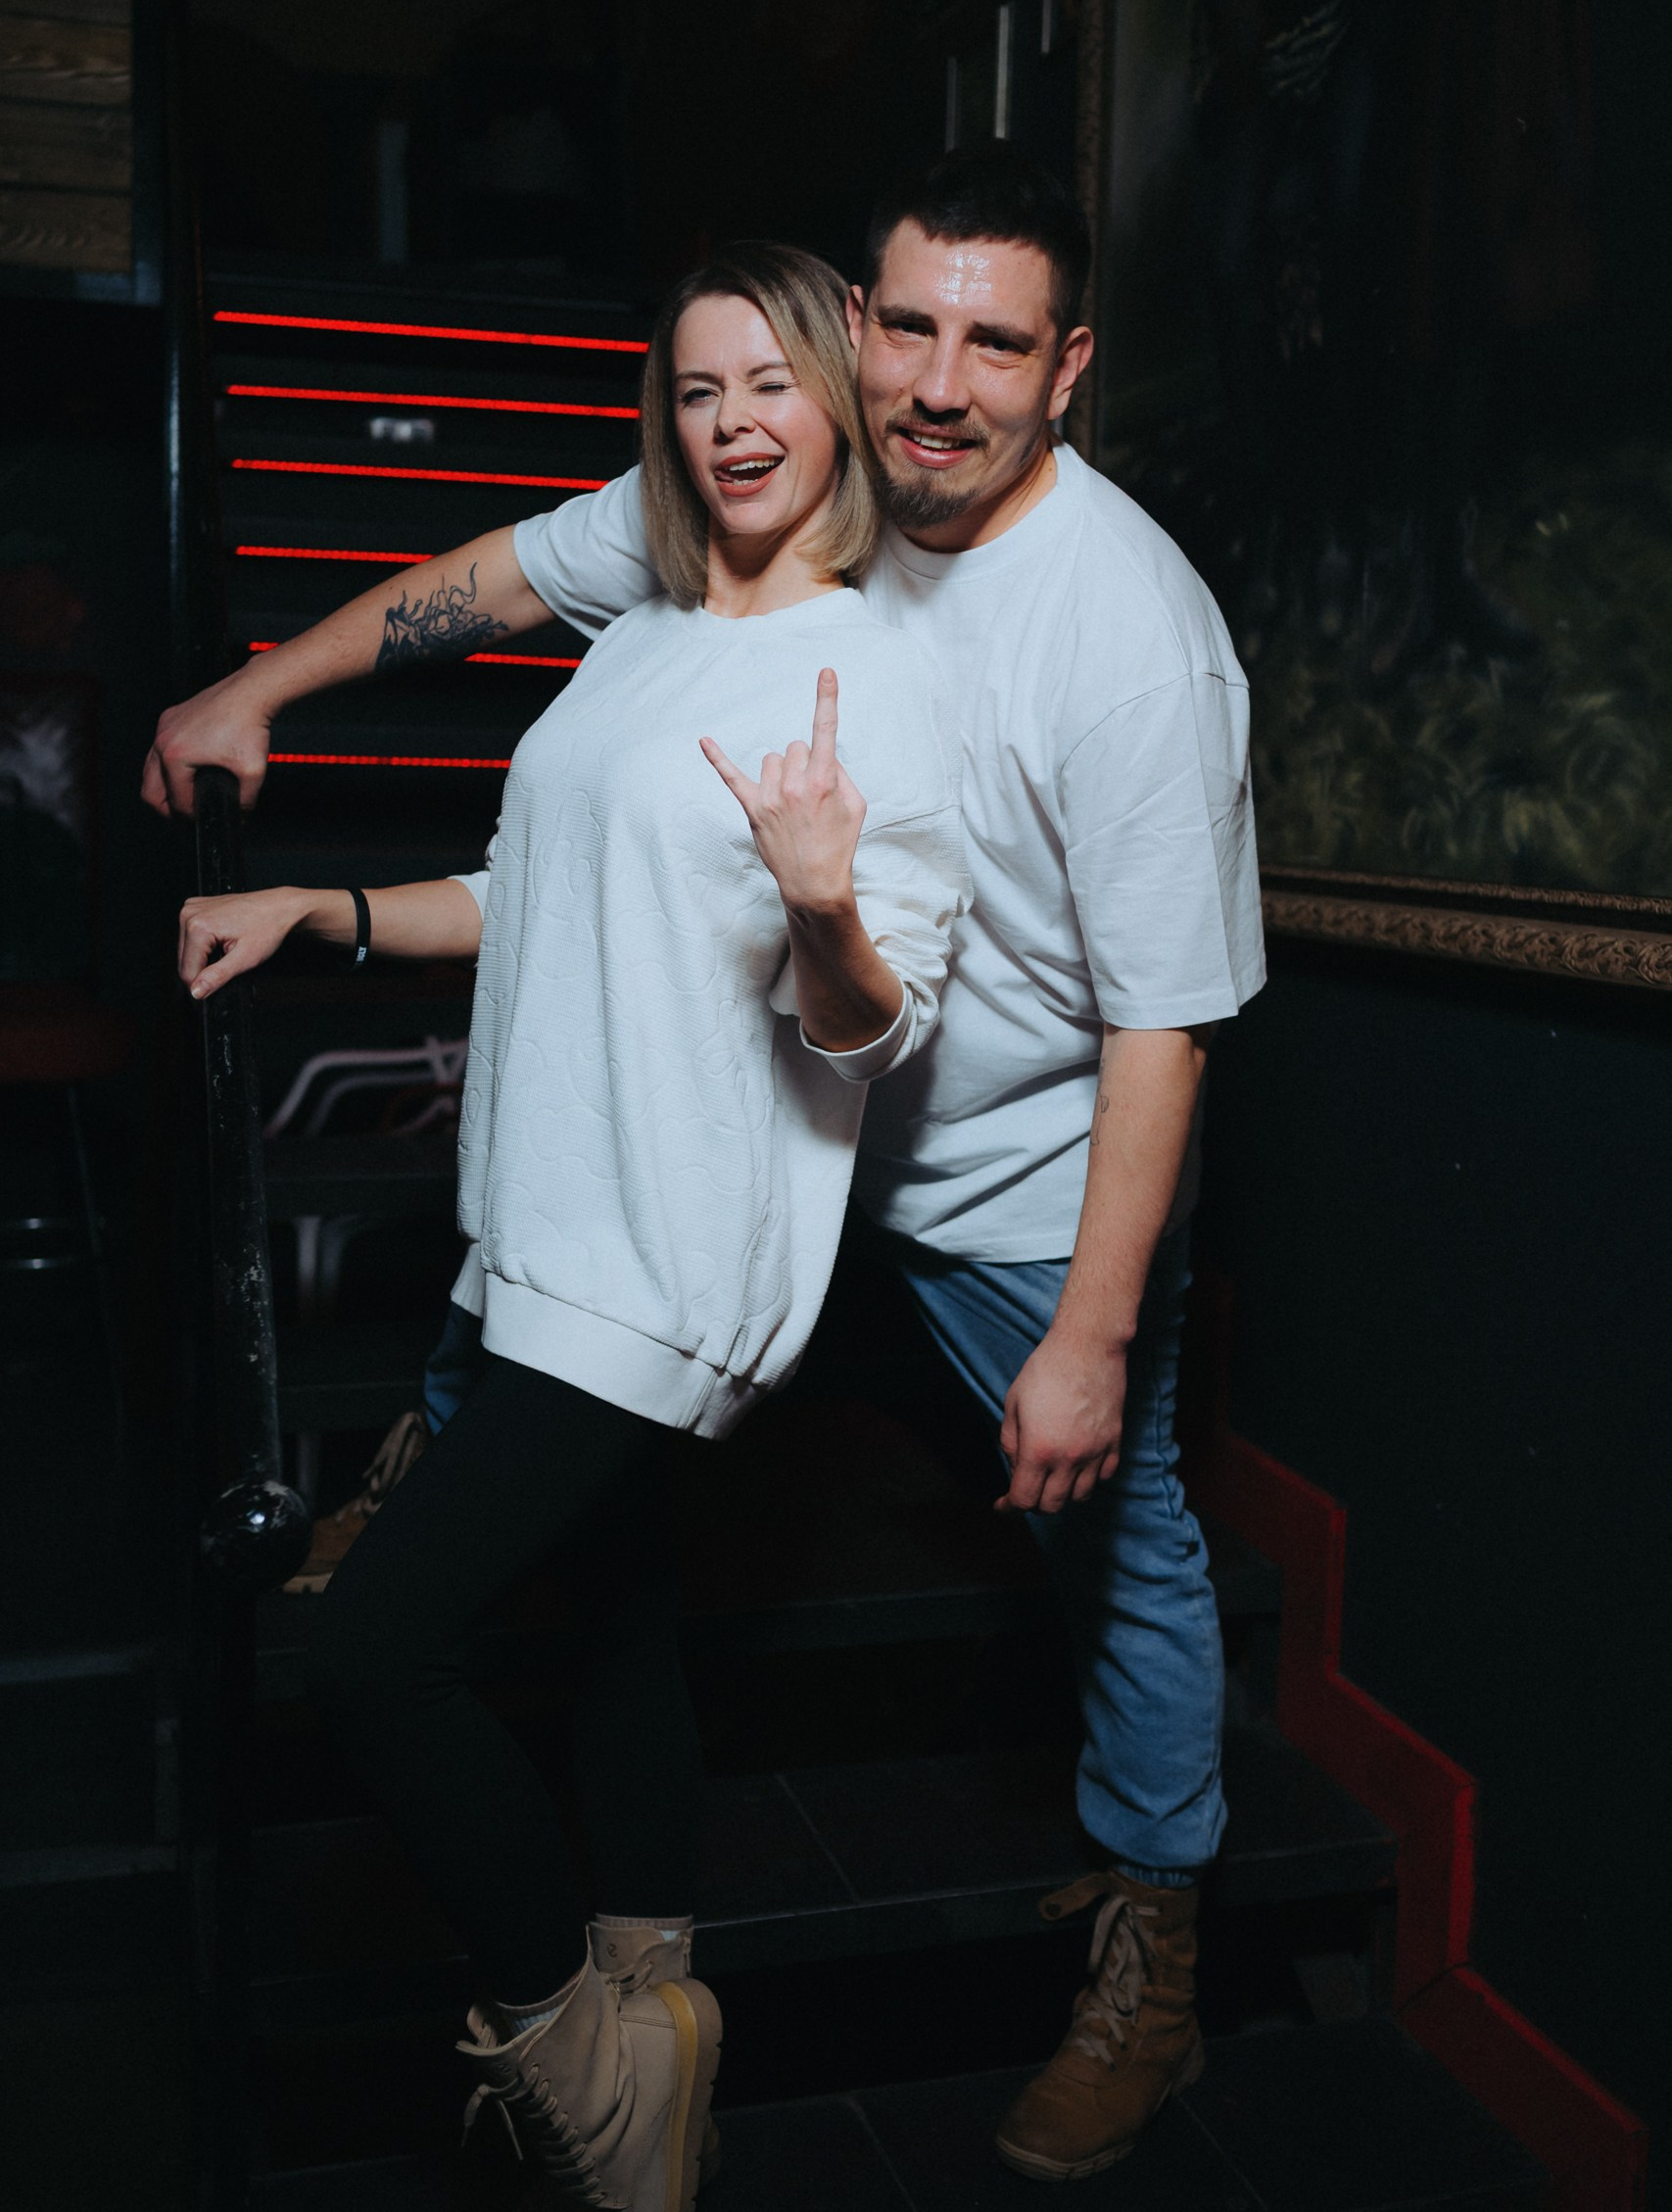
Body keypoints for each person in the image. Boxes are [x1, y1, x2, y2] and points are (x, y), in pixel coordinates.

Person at [150, 146, 1266, 2184]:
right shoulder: (762, 486)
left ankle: (1156, 1947)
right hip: (764, 1123)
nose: (937, 382)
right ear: (853, 327)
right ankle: (466, 1503)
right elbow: (508, 586)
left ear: (1068, 367)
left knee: (1124, 1547)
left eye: (994, 345)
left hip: (1002, 1174)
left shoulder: (1127, 635)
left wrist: (1092, 1331)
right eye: (905, 326)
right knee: (591, 1501)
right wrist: (267, 684)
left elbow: (1160, 1024)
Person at [173, 245, 968, 2212]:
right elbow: (533, 885)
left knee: (374, 1657)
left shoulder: (889, 676)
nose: (733, 424)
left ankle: (576, 2063)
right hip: (539, 1221)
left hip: (663, 1267)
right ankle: (647, 1991)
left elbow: (873, 1031)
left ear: (840, 394)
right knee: (615, 1618)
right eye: (697, 390)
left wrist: (821, 903)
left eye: (768, 383)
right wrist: (327, 914)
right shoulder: (649, 622)